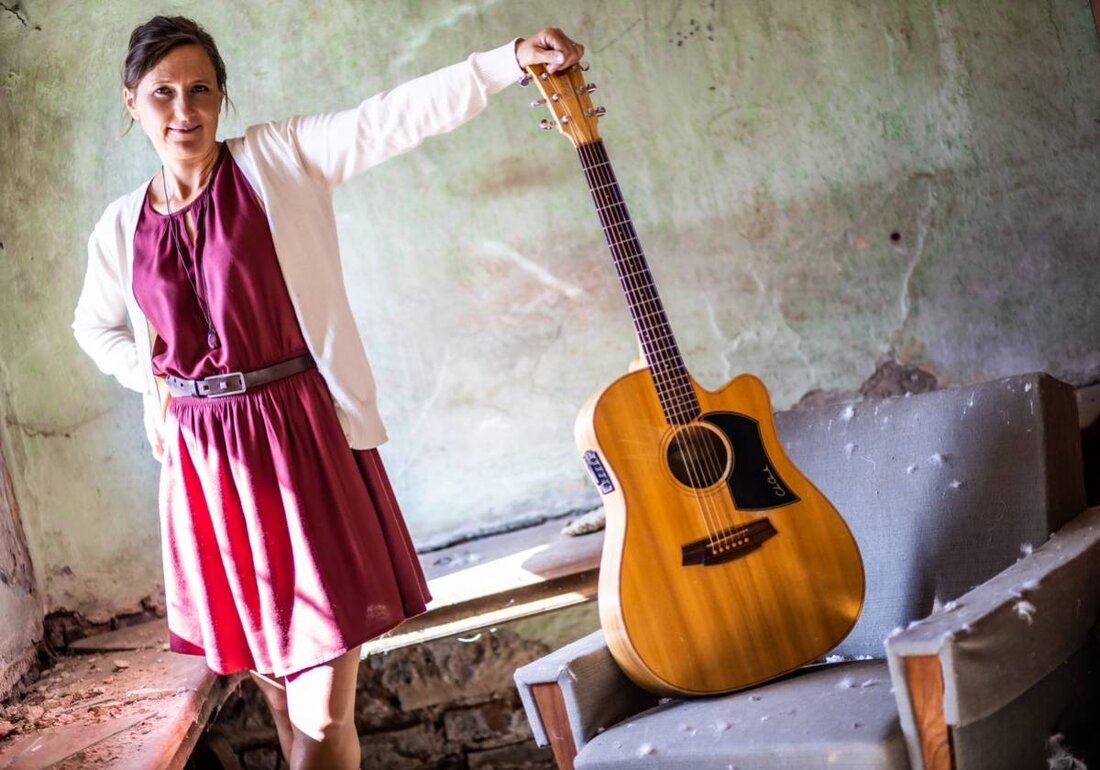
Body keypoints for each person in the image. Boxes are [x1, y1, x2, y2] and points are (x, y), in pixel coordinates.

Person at [71, 15, 583, 769]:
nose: (185, 111)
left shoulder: (278, 159)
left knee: (318, 708)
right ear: (131, 104)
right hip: (209, 470)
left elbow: (392, 118)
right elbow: (95, 327)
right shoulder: (121, 228)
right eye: (163, 94)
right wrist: (154, 380)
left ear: (222, 96)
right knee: (282, 697)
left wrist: (504, 62)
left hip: (301, 439)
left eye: (201, 90)